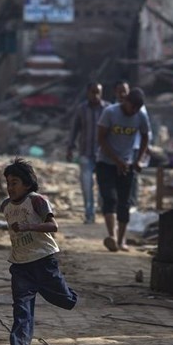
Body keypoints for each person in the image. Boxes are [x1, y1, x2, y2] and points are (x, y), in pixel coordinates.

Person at [0, 158, 78, 345]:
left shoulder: (37, 201)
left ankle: (61, 293)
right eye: (7, 183)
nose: (10, 187)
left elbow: (53, 226)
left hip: (43, 261)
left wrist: (29, 226)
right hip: (20, 264)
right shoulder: (6, 206)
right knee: (22, 307)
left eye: (14, 182)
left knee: (65, 300)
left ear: (27, 183)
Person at [97, 87, 151, 252]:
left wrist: (139, 159)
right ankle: (112, 236)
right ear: (126, 101)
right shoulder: (110, 112)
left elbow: (145, 136)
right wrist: (116, 160)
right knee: (109, 198)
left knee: (124, 202)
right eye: (131, 107)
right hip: (106, 163)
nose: (133, 111)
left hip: (127, 164)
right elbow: (101, 138)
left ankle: (121, 240)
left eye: (136, 109)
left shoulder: (140, 116)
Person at [67, 83, 109, 224]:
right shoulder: (81, 109)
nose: (95, 95)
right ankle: (89, 214)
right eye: (93, 92)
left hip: (104, 154)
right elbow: (74, 129)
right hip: (85, 153)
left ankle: (104, 210)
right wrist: (70, 147)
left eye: (98, 92)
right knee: (86, 185)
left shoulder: (108, 109)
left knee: (104, 185)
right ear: (88, 93)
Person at [114, 80, 151, 209]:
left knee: (132, 176)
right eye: (120, 92)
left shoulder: (139, 108)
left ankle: (131, 203)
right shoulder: (113, 109)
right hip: (118, 148)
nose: (122, 94)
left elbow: (146, 131)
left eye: (124, 91)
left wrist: (146, 148)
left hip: (135, 146)